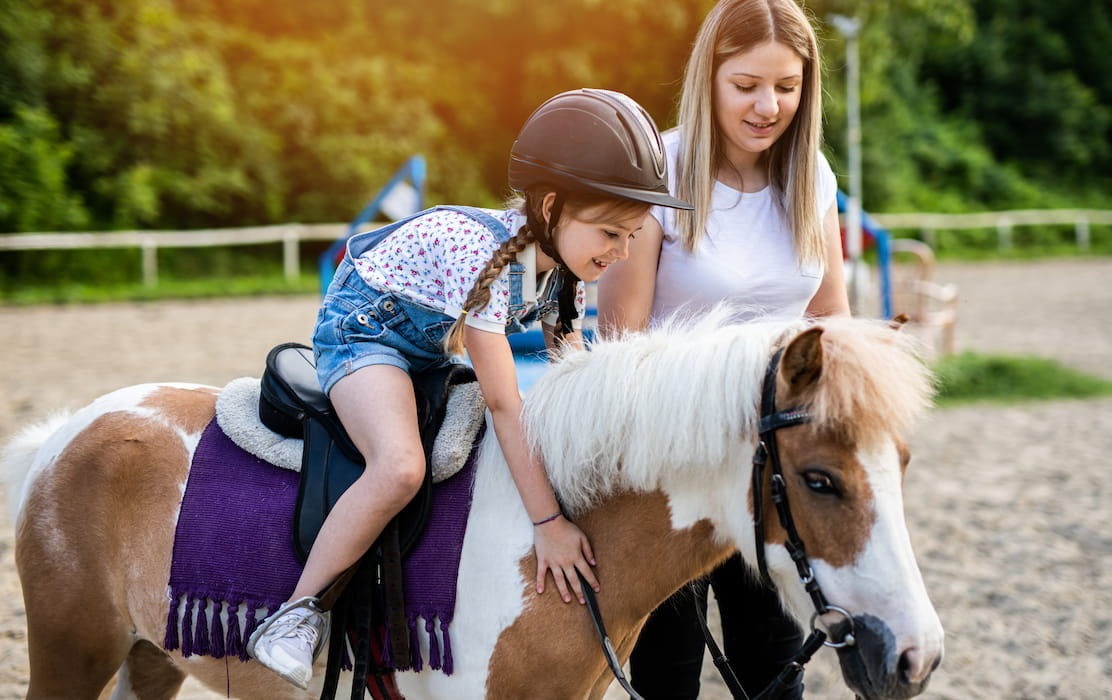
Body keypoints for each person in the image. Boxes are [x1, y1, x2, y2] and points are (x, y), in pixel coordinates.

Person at [248, 88, 693, 689]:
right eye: (611, 233)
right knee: (400, 466)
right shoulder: (483, 255)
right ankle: (298, 614)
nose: (622, 252)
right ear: (552, 207)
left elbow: (574, 382)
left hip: (425, 347)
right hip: (363, 333)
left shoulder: (564, 274)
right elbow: (506, 403)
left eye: (633, 236)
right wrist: (548, 524)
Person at [597, 1, 851, 698]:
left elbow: (830, 320)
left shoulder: (813, 178)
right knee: (668, 675)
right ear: (708, 77)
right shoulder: (660, 172)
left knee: (773, 673)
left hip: (772, 472)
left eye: (788, 87)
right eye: (746, 85)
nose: (769, 106)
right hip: (671, 468)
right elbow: (620, 344)